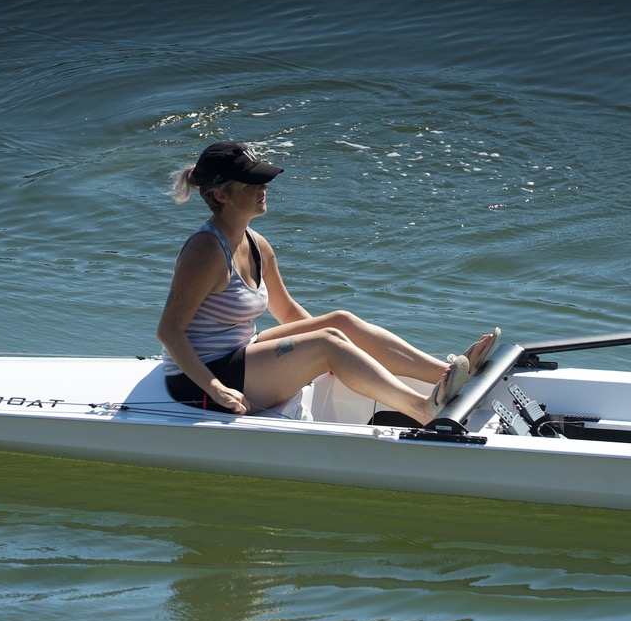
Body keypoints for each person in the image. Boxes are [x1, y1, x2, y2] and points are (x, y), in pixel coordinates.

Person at [156, 141, 499, 424]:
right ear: (221, 196)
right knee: (328, 343)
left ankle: (448, 374)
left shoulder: (256, 243)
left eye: (262, 181)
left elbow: (287, 311)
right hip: (198, 377)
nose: (263, 189)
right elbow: (169, 331)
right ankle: (423, 408)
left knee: (340, 323)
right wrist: (215, 387)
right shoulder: (205, 250)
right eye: (252, 184)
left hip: (241, 351)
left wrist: (340, 356)